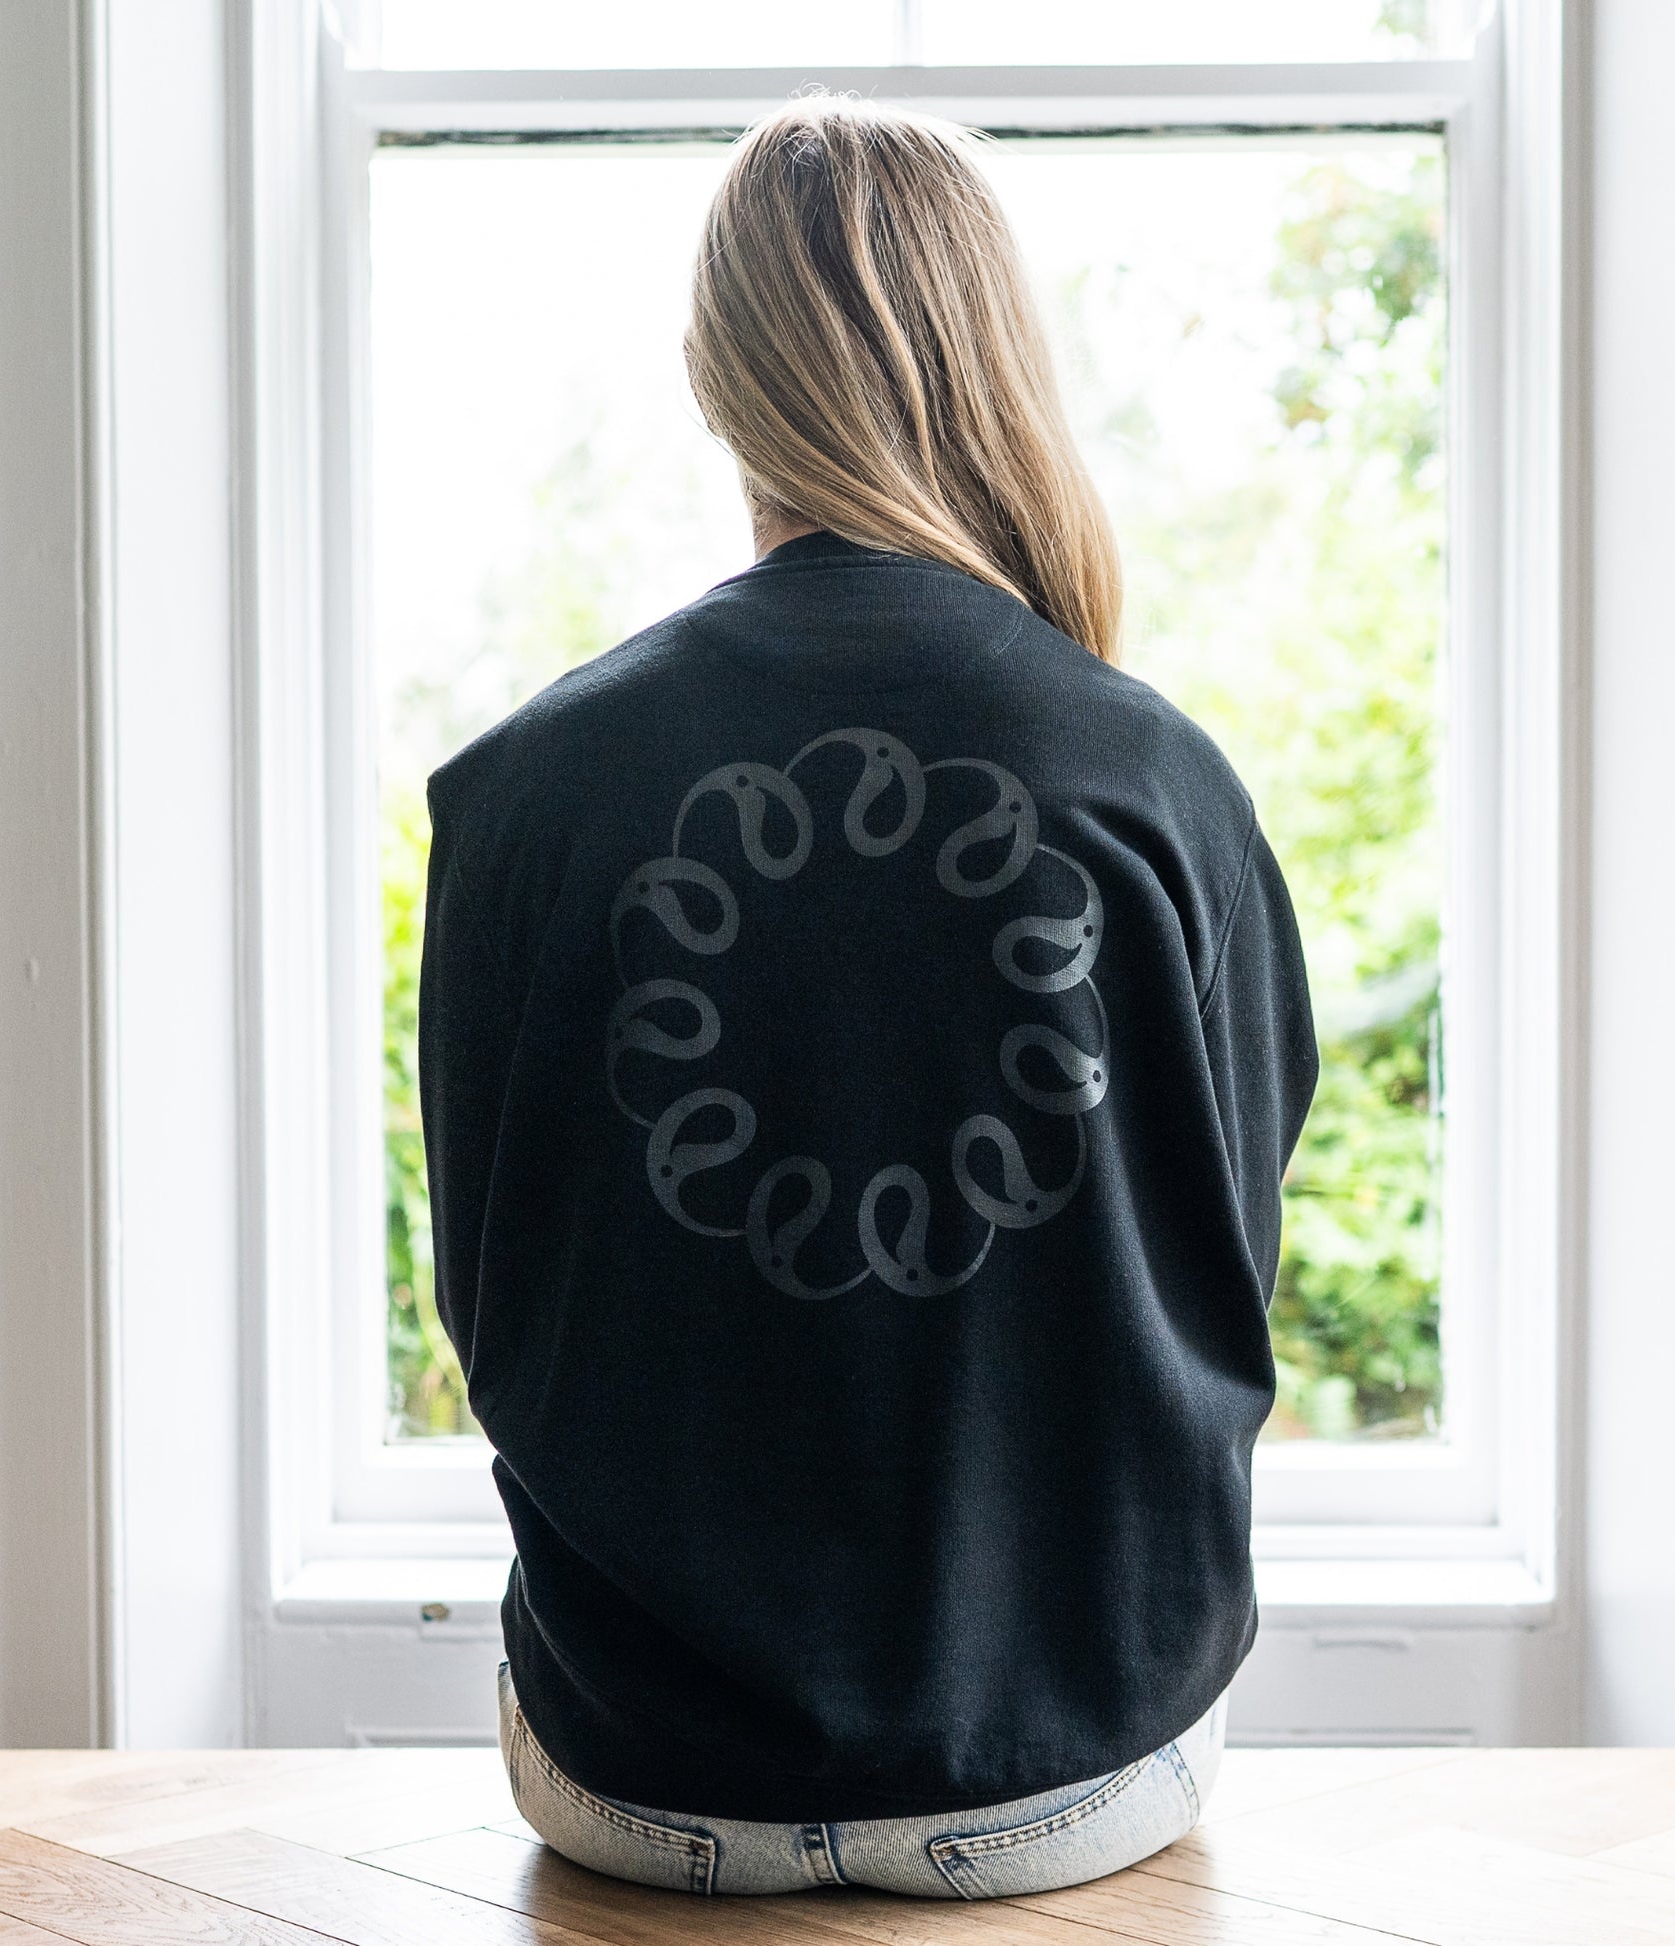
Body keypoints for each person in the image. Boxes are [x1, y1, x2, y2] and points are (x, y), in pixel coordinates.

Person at [418, 89, 1320, 1901]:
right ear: (1000, 356)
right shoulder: (1156, 781)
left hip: (635, 1774)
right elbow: (1226, 1254)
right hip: (1072, 1767)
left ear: (713, 379)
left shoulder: (520, 791)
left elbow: (489, 1296)